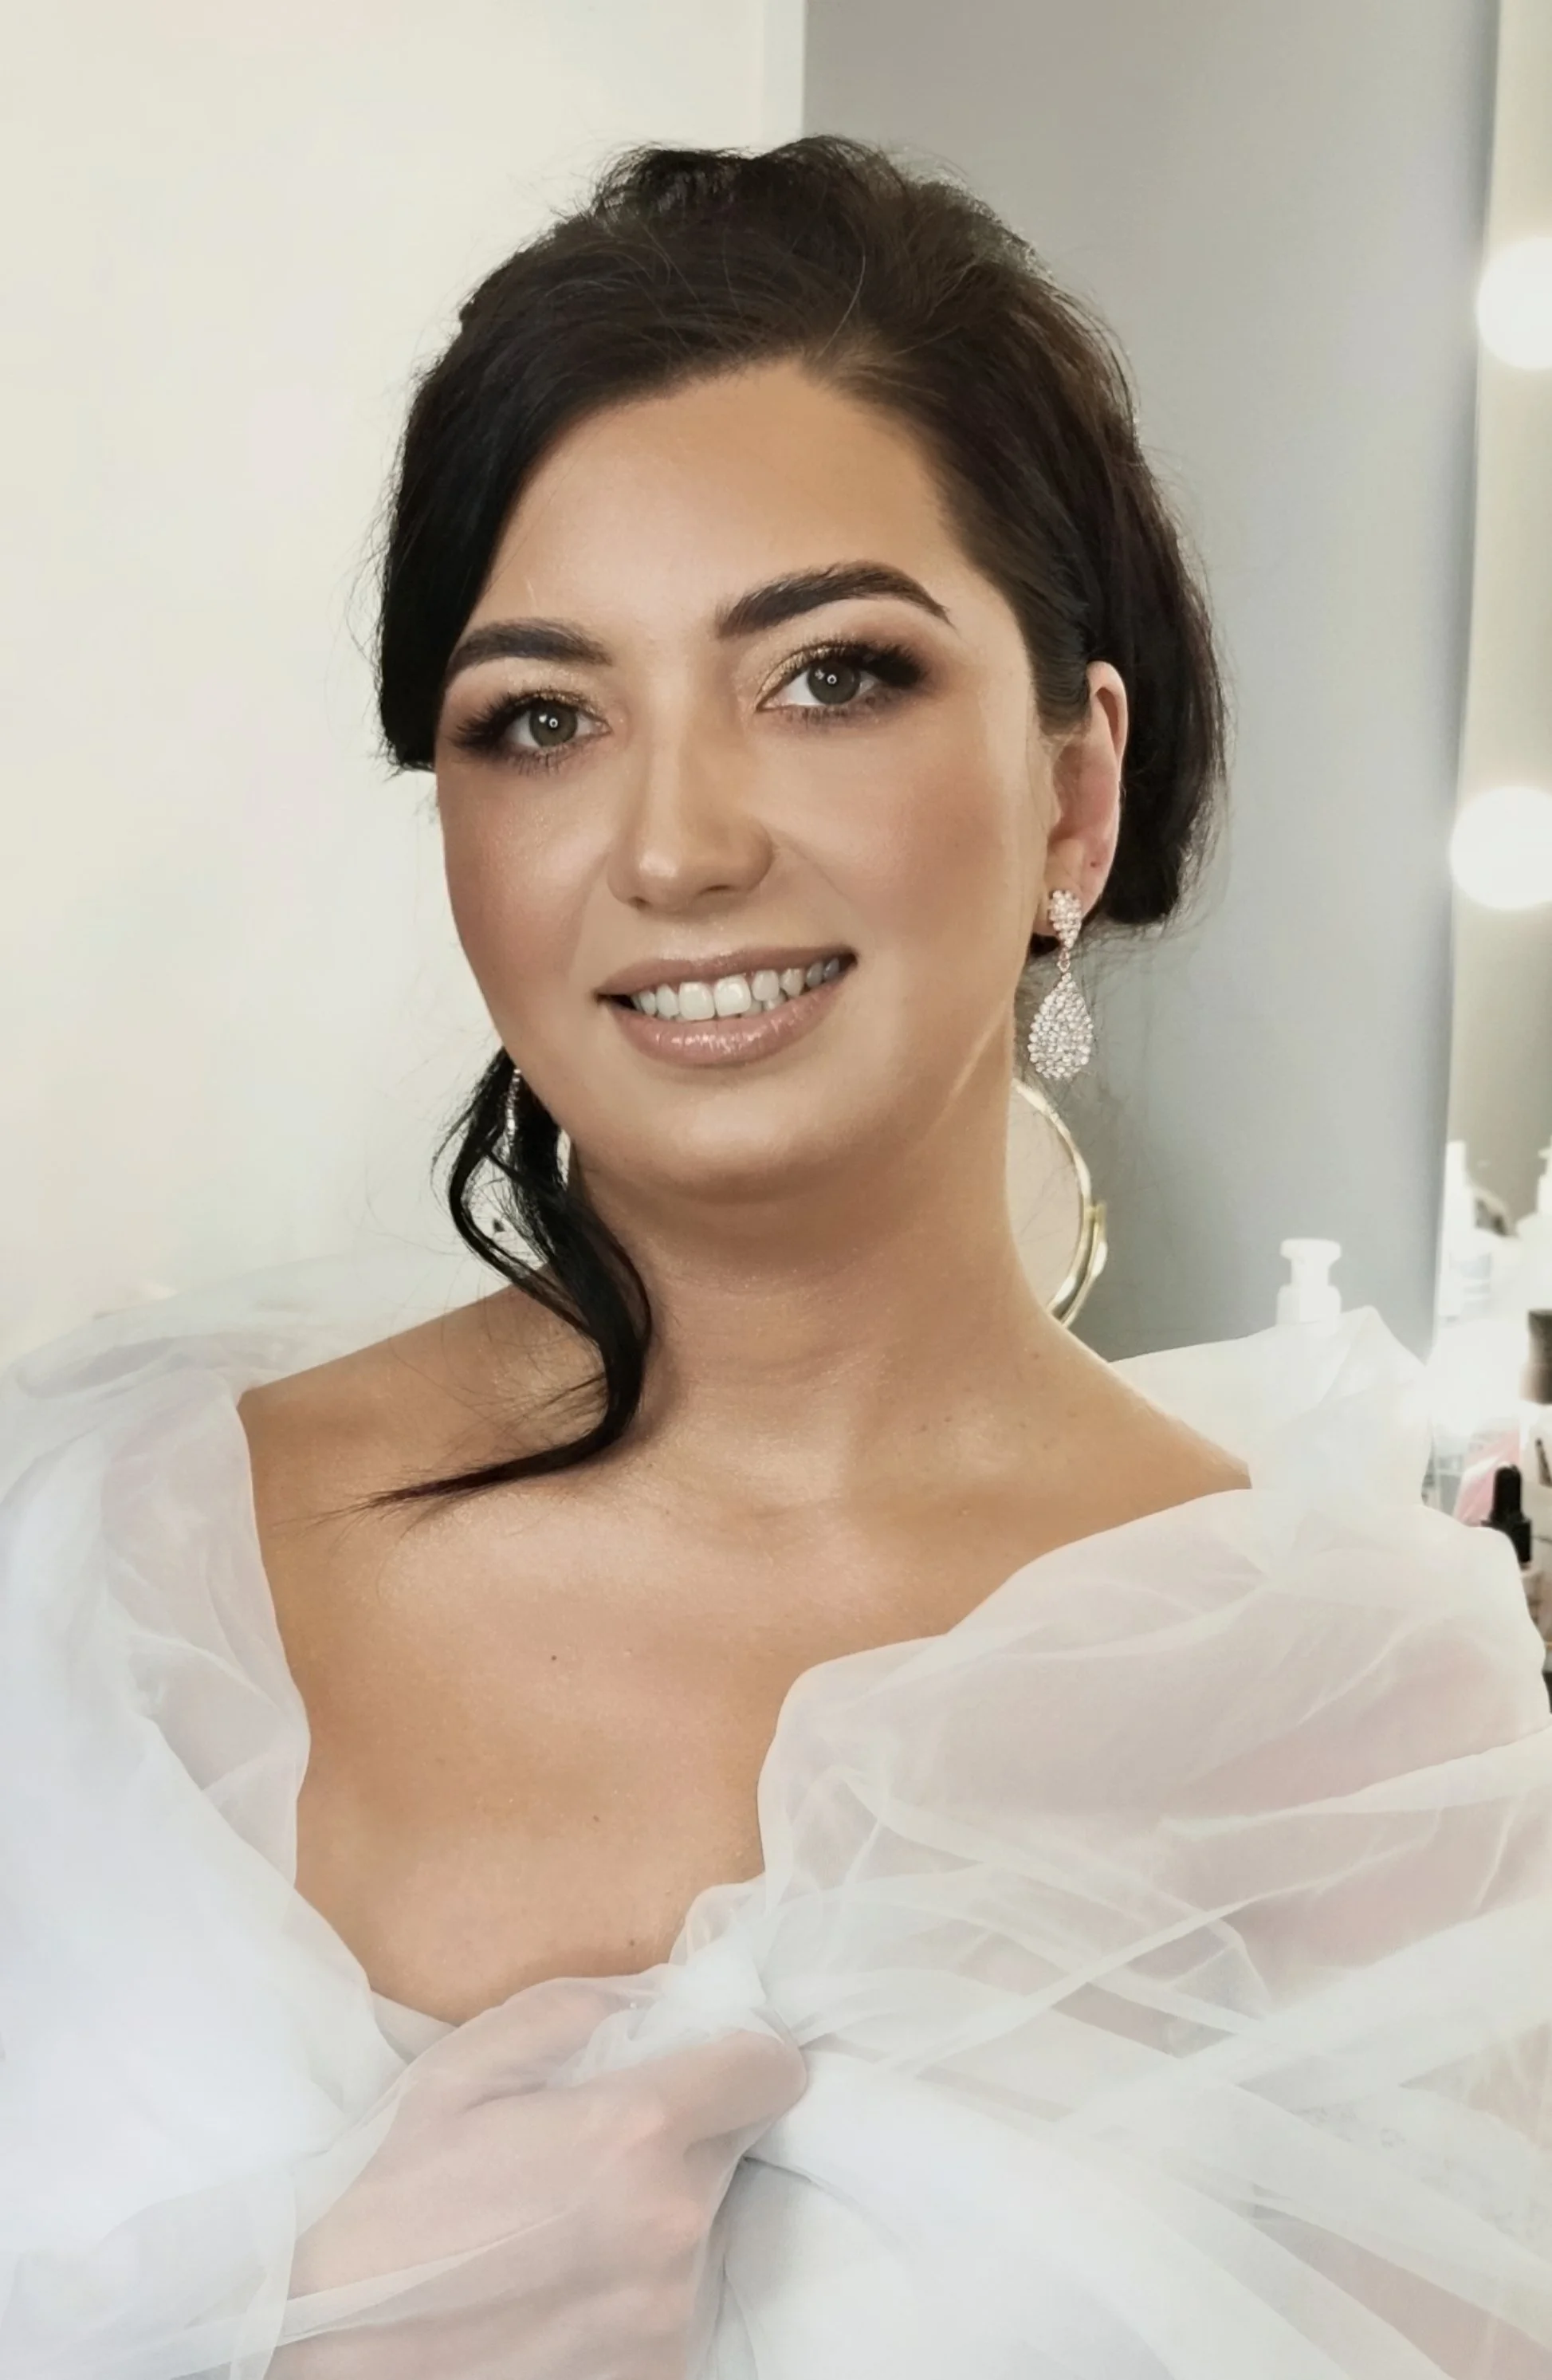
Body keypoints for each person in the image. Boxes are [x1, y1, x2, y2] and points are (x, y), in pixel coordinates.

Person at [2, 138, 1550, 2380]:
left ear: (1073, 792)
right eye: (541, 716)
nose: (677, 842)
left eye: (831, 677)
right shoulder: (102, 1567)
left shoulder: (1361, 1724)